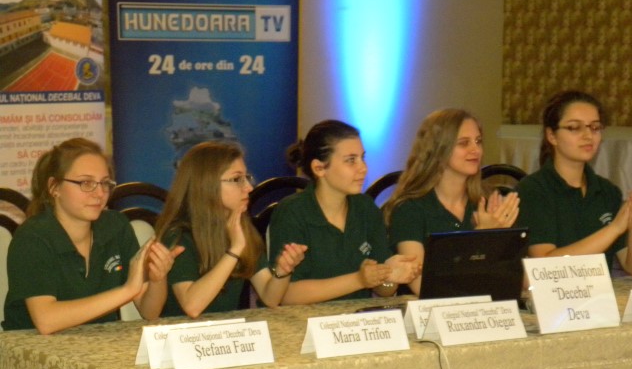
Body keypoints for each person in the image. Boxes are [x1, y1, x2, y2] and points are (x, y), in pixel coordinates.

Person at [2, 138, 180, 334]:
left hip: (99, 343)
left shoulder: (116, 226)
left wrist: (157, 278)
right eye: (86, 183)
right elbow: (46, 321)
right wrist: (127, 290)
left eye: (105, 183)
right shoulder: (32, 237)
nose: (99, 193)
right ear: (54, 187)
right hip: (33, 347)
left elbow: (150, 312)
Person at [268, 120, 421, 304]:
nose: (363, 168)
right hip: (306, 319)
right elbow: (286, 296)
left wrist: (389, 276)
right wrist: (359, 280)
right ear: (319, 168)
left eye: (362, 158)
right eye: (351, 160)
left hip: (358, 317)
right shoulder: (292, 212)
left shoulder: (365, 208)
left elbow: (384, 291)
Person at [155, 141, 307, 317]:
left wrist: (283, 271)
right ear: (207, 185)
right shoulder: (178, 234)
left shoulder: (240, 227)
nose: (248, 187)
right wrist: (234, 250)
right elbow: (192, 306)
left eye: (246, 178)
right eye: (236, 179)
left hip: (225, 331)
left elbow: (269, 298)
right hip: (181, 331)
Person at [384, 109, 521, 295]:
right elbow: (424, 287)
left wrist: (502, 240)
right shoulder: (410, 209)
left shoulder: (486, 203)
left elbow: (512, 280)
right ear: (439, 150)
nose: (476, 150)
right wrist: (481, 238)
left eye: (478, 141)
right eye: (464, 143)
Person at [515, 90, 632, 276]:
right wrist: (614, 229)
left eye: (595, 127)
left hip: (599, 292)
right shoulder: (533, 190)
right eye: (574, 128)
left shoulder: (607, 191)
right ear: (551, 135)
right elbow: (544, 266)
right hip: (555, 292)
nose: (588, 135)